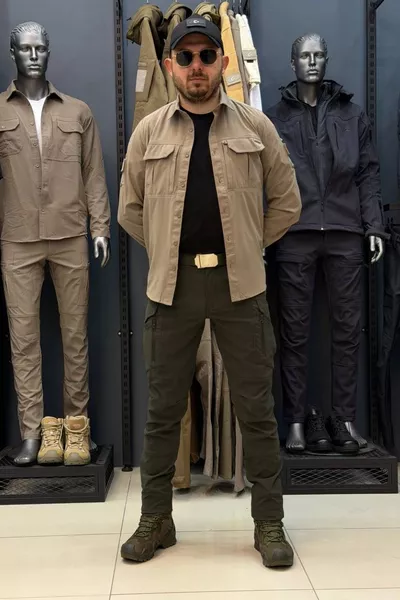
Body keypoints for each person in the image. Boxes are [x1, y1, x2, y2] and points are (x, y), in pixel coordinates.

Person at [118, 16, 301, 568]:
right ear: (170, 65)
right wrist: (167, 250)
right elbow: (129, 209)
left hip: (240, 286)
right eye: (186, 57)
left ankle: (269, 522)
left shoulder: (256, 127)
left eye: (206, 56)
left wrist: (246, 244)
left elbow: (287, 202)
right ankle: (156, 519)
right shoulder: (149, 132)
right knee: (161, 412)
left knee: (257, 410)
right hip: (170, 287)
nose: (196, 66)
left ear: (223, 63)